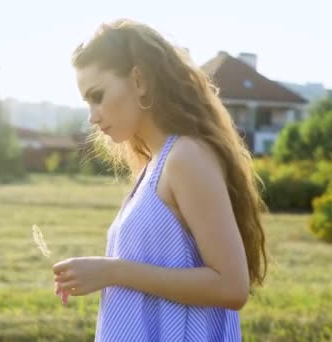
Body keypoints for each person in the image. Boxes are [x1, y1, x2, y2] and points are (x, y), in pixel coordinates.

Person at [53, 18, 268, 341]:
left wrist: (112, 271)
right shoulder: (154, 165)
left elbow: (231, 286)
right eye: (88, 102)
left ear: (139, 80)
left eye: (98, 96)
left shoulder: (186, 157)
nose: (93, 116)